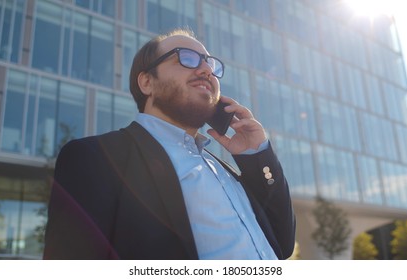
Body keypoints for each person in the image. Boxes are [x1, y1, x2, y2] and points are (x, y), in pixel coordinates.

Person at [43, 28, 295, 260]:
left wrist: (257, 154)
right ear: (147, 82)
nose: (206, 70)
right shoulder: (96, 158)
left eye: (210, 63)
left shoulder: (223, 169)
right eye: (187, 57)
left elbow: (282, 245)